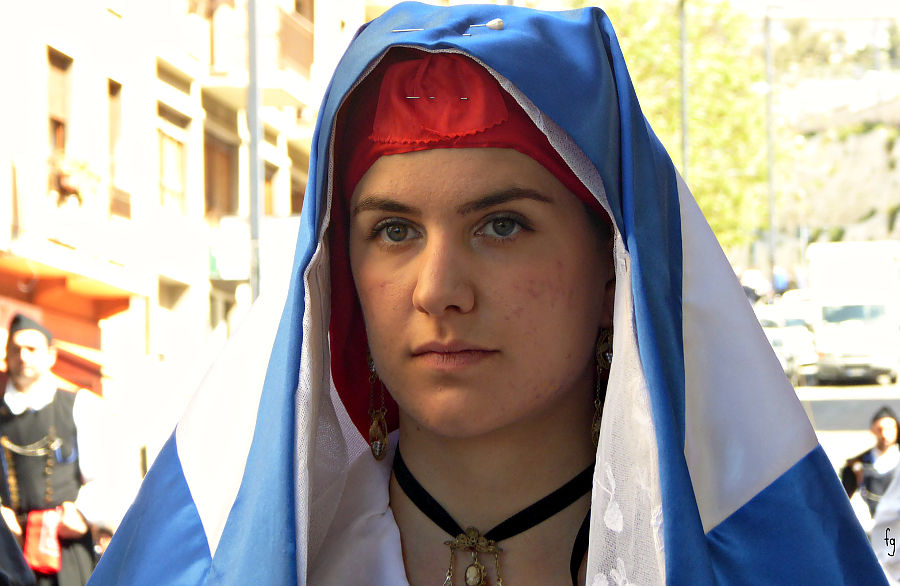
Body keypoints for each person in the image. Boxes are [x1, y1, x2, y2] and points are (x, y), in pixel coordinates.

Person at [91, 4, 887, 585]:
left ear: (614, 264)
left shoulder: (769, 564)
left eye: (501, 225)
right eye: (394, 231)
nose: (439, 292)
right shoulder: (252, 561)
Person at [0, 315, 104, 586]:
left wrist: (82, 513)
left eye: (32, 349)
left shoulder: (79, 406)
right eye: (16, 349)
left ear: (51, 355)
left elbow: (108, 476)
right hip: (8, 555)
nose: (23, 356)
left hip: (66, 553)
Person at [842, 406, 900, 518]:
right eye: (880, 429)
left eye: (889, 429)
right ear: (872, 430)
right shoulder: (857, 465)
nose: (885, 434)